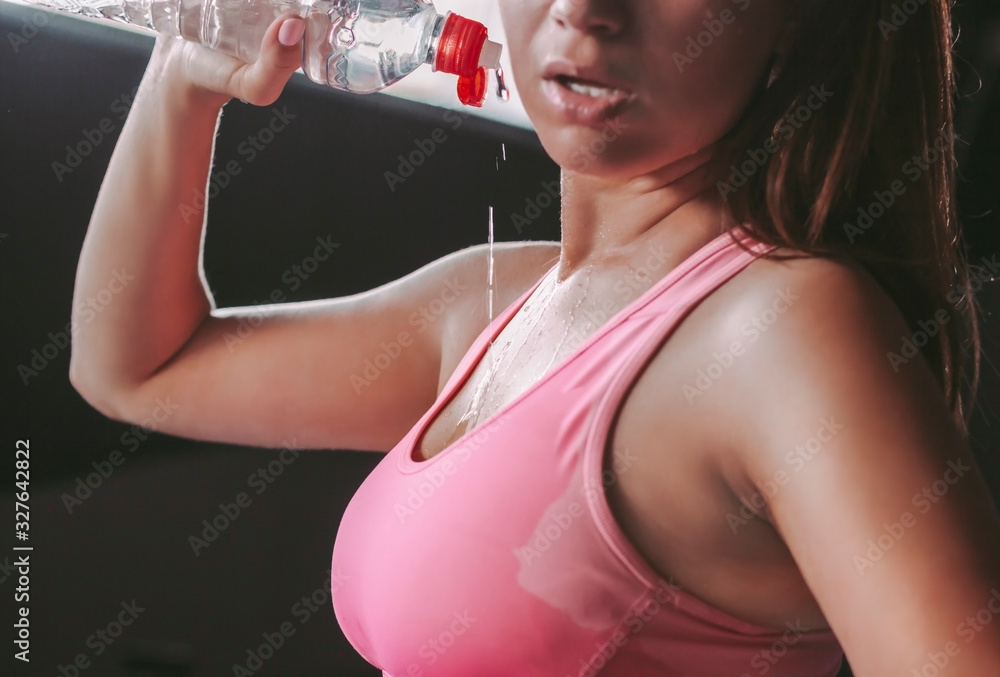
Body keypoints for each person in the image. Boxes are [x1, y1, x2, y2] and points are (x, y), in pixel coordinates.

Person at [69, 0, 1000, 675]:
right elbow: (140, 369)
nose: (587, 12)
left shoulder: (783, 328)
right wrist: (187, 75)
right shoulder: (493, 303)